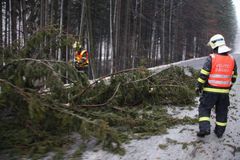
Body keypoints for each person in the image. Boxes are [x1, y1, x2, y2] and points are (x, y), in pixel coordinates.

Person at [195, 34, 238, 138]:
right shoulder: (232, 59)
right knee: (222, 111)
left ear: (214, 45)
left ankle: (205, 129)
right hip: (224, 93)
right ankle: (219, 132)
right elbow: (234, 76)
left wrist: (198, 86)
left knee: (204, 108)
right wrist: (228, 86)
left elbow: (203, 75)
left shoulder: (212, 58)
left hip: (210, 91)